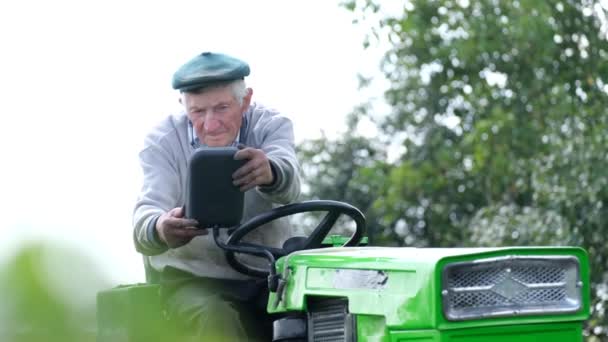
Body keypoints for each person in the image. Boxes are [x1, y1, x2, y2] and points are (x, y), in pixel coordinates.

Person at [132, 52, 301, 341]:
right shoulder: (162, 143)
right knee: (214, 319)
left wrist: (270, 171)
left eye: (222, 108)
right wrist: (161, 227)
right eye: (198, 112)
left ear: (245, 101)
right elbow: (146, 215)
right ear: (183, 106)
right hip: (195, 282)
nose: (210, 124)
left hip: (269, 276)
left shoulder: (270, 126)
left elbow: (289, 178)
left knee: (314, 314)